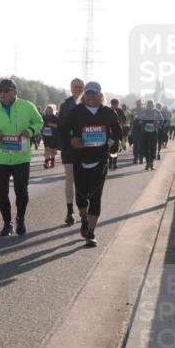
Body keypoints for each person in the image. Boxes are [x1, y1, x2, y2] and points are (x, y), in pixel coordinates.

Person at [0, 79, 44, 236]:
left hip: (21, 158)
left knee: (21, 192)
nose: (2, 94)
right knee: (2, 193)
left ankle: (20, 218)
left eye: (5, 91)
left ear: (15, 92)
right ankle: (7, 223)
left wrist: (30, 130)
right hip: (0, 159)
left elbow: (39, 122)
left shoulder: (27, 106)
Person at [61, 82, 122, 247]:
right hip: (80, 159)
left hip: (100, 159)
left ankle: (91, 233)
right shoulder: (75, 112)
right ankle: (83, 219)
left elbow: (118, 132)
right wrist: (71, 140)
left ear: (100, 96)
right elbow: (62, 130)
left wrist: (111, 142)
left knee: (96, 197)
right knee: (81, 197)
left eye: (93, 94)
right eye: (87, 93)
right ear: (84, 95)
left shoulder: (108, 113)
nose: (90, 96)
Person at [57, 78, 85, 225]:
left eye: (80, 87)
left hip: (86, 147)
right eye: (75, 87)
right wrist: (66, 143)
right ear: (71, 88)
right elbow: (61, 126)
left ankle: (83, 210)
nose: (77, 89)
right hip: (69, 147)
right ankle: (70, 212)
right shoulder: (66, 104)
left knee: (83, 180)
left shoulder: (89, 102)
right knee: (70, 177)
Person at [133, 99, 163, 170]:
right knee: (146, 148)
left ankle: (151, 164)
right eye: (149, 104)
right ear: (147, 105)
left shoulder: (156, 111)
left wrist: (158, 124)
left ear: (153, 105)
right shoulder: (143, 111)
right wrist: (140, 122)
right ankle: (147, 164)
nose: (150, 106)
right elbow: (136, 119)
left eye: (151, 104)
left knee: (153, 148)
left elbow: (161, 119)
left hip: (153, 132)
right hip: (144, 132)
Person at [107, 97, 127, 170]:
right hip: (109, 132)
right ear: (111, 104)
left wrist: (121, 123)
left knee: (115, 148)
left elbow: (124, 119)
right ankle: (110, 162)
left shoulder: (120, 111)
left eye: (116, 104)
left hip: (117, 131)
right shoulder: (108, 110)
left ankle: (114, 163)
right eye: (113, 104)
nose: (115, 105)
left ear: (118, 104)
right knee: (110, 148)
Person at [40, 104, 59, 169]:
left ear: (53, 111)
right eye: (47, 111)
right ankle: (46, 162)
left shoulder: (55, 117)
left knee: (52, 149)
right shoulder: (43, 117)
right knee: (46, 148)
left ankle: (53, 160)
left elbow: (58, 126)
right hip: (45, 135)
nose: (48, 112)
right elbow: (39, 124)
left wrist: (52, 124)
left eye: (50, 111)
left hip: (53, 135)